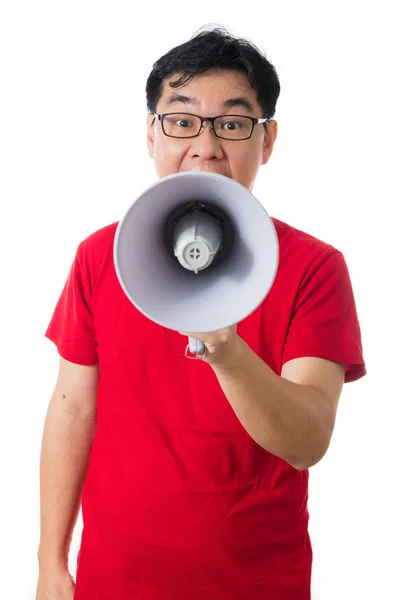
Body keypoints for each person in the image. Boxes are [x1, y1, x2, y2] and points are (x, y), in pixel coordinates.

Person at [36, 26, 366, 600]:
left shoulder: (315, 268)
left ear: (266, 141)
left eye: (233, 124)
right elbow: (72, 409)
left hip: (255, 582)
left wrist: (225, 348)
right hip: (116, 577)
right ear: (151, 134)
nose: (206, 146)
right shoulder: (98, 258)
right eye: (182, 120)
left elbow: (307, 439)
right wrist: (50, 562)